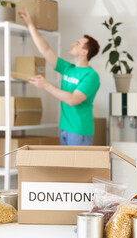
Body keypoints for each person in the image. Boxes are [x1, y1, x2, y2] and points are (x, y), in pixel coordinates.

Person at [19, 8, 100, 146]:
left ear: (84, 52)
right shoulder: (68, 68)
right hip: (64, 128)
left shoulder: (91, 76)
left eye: (78, 44)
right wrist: (30, 24)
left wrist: (46, 85)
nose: (73, 44)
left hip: (79, 131)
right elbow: (45, 50)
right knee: (65, 167)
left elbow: (73, 100)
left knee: (76, 168)